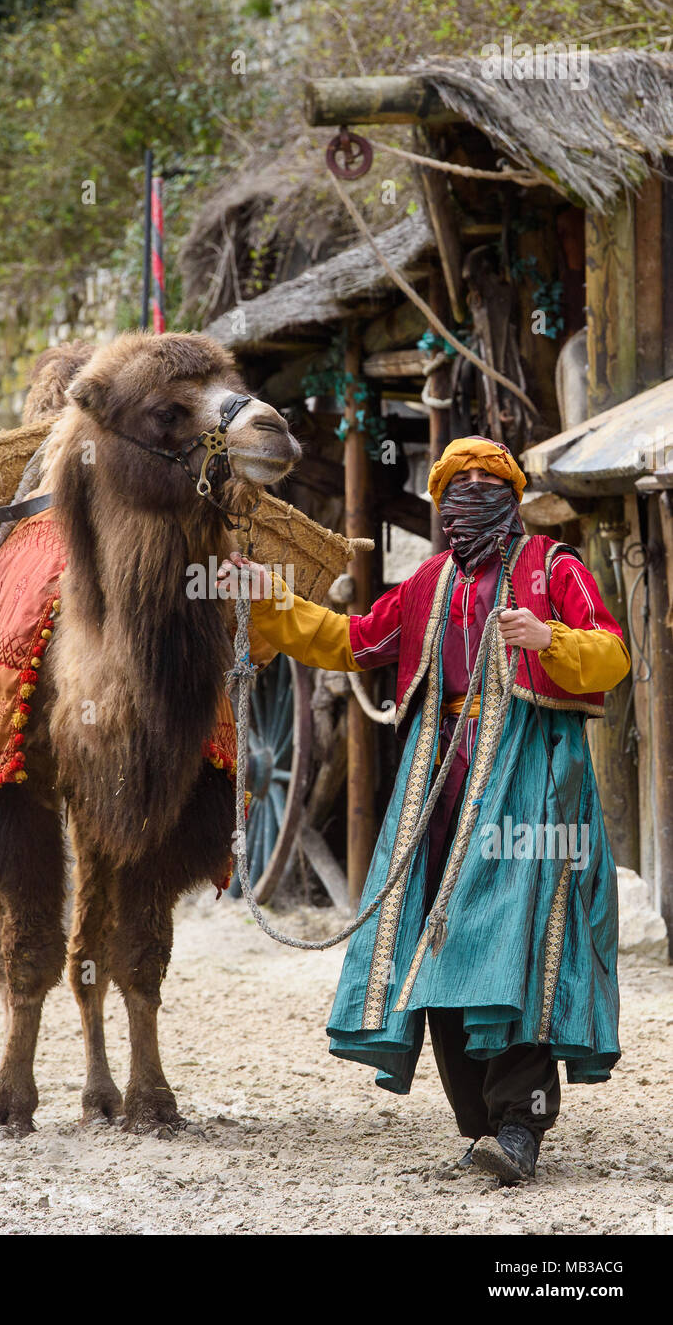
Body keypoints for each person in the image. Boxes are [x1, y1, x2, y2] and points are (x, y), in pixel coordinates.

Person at [217, 436, 630, 1185]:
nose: (473, 489)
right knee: (433, 940)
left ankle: (520, 1123)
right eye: (458, 480)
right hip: (437, 782)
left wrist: (548, 638)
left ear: (511, 491)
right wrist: (266, 600)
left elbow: (610, 653)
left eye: (488, 479)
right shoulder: (427, 582)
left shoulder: (551, 566)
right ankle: (482, 1129)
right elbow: (351, 640)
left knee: (511, 936)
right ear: (440, 500)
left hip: (530, 775)